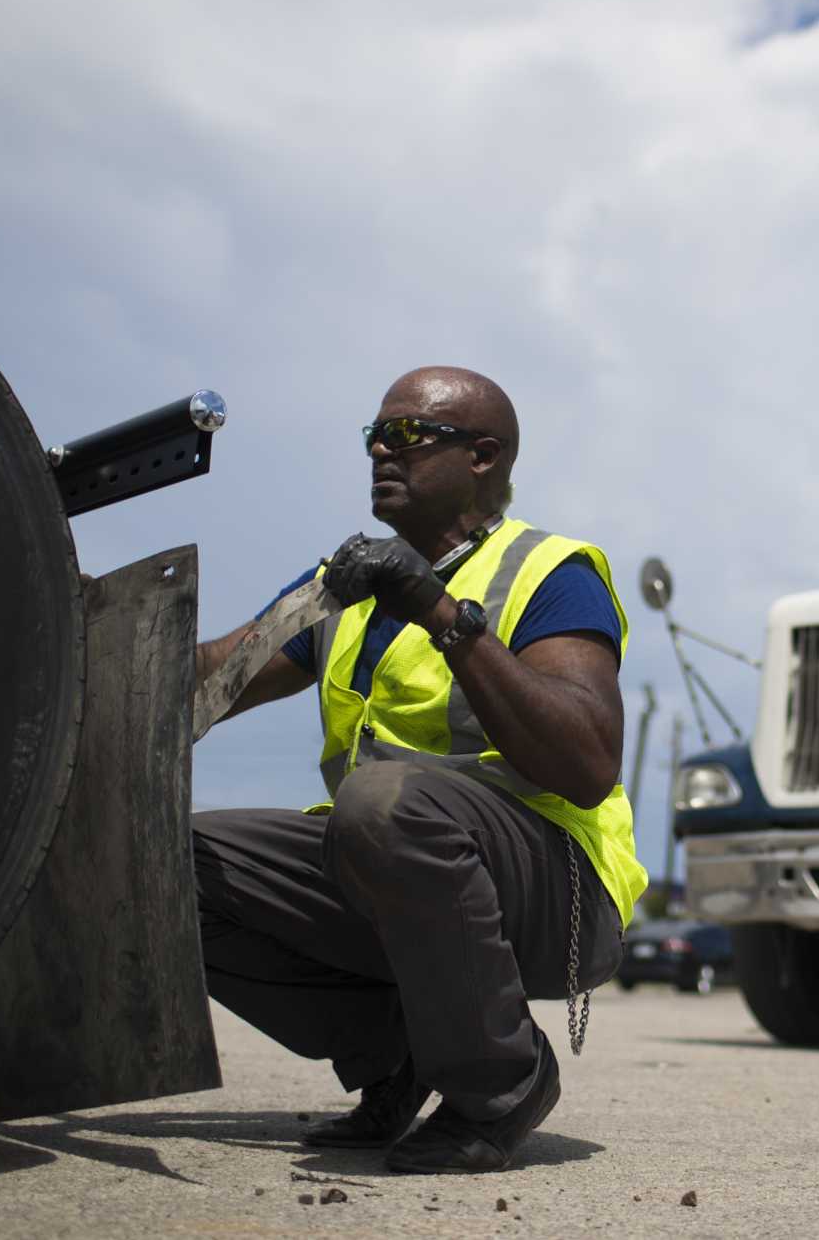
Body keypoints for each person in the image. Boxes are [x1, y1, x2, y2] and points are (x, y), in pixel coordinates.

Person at [189, 366, 647, 1175]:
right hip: (397, 865)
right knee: (171, 863)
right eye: (373, 434)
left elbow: (585, 762)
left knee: (384, 801)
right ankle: (391, 1060)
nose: (379, 450)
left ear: (483, 455)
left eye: (405, 434)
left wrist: (442, 614)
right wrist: (71, 617)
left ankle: (499, 1083)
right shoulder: (349, 587)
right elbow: (211, 679)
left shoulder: (549, 571)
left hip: (557, 895)